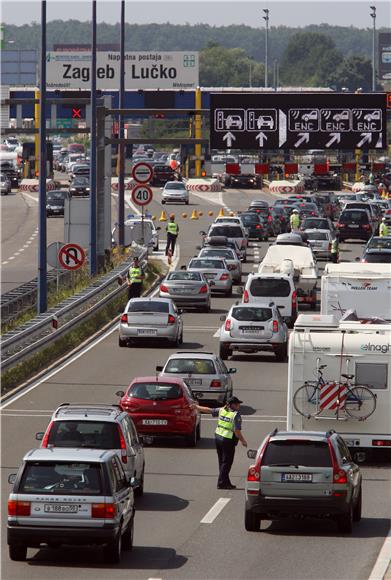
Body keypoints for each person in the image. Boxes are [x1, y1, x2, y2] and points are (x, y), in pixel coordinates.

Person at [192, 396, 247, 490]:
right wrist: (243, 441)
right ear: (232, 405)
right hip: (227, 440)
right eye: (237, 404)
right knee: (227, 463)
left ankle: (226, 482)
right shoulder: (235, 415)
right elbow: (237, 431)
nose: (239, 405)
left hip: (218, 437)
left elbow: (209, 410)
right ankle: (221, 482)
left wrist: (197, 407)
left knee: (222, 462)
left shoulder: (222, 410)